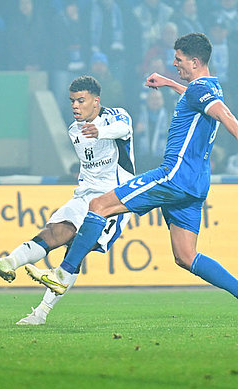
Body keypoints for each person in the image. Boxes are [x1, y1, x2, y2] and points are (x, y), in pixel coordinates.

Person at [27, 33, 238, 302]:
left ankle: (63, 274)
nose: (174, 63)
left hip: (173, 177)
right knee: (186, 256)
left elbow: (225, 115)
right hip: (196, 184)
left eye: (179, 59)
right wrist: (169, 83)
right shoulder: (208, 87)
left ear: (195, 62)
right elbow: (197, 96)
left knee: (98, 206)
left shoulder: (201, 92)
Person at [0, 75, 135, 325]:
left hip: (113, 199)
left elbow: (124, 130)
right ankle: (9, 262)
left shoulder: (116, 116)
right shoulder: (74, 131)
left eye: (81, 100)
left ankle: (40, 313)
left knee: (75, 249)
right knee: (54, 232)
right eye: (72, 101)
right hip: (84, 194)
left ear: (96, 101)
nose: (75, 106)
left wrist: (101, 131)